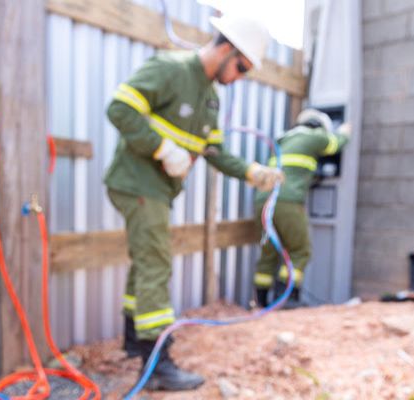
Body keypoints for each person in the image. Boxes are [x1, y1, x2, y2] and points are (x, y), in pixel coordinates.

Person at [104, 13, 284, 391]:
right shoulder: (170, 70)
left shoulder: (210, 99)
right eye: (241, 67)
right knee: (156, 263)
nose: (240, 77)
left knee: (146, 263)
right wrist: (162, 148)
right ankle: (157, 365)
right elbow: (119, 109)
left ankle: (135, 342)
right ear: (225, 49)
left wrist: (253, 173)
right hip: (136, 183)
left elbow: (215, 153)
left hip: (157, 190)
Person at [253, 109, 351, 308]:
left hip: (262, 201)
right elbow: (335, 144)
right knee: (300, 251)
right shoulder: (314, 136)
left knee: (268, 253)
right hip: (287, 202)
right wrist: (345, 133)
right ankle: (286, 300)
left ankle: (261, 304)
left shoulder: (282, 139)